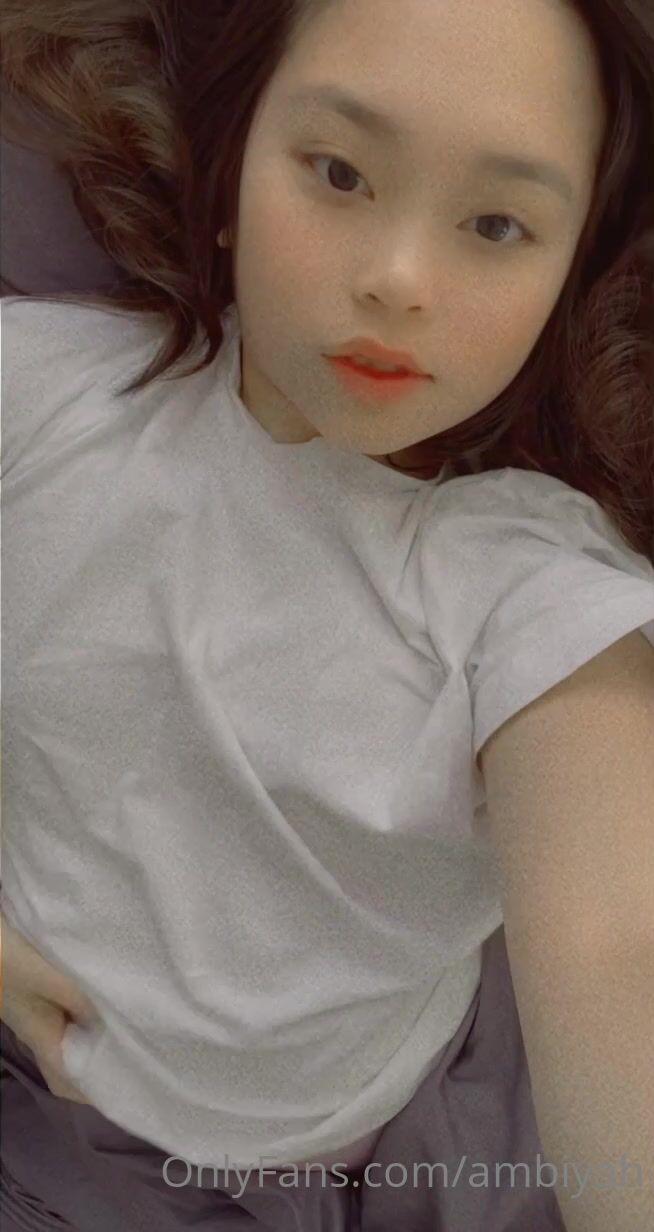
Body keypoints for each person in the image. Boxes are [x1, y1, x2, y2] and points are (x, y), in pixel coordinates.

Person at [1, 0, 653, 1229]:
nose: (397, 277)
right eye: (341, 172)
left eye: (497, 224)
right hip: (53, 1111)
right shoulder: (46, 400)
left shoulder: (526, 590)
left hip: (397, 1140)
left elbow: (615, 938)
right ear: (229, 168)